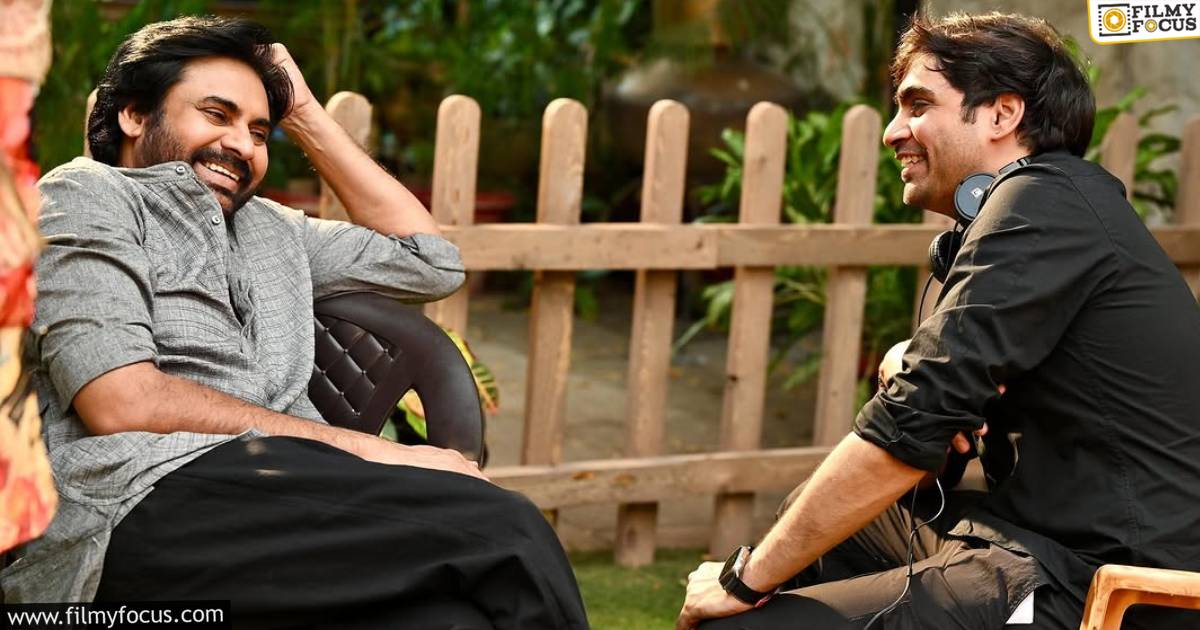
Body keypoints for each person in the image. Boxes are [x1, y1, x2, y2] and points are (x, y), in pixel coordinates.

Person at [0, 16, 589, 629]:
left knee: (450, 621)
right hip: (136, 502)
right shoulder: (86, 196)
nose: (242, 144)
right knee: (503, 526)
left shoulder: (273, 229)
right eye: (217, 114)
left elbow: (431, 263)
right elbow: (121, 401)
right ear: (134, 115)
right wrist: (373, 452)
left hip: (276, 497)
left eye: (260, 131)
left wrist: (303, 112)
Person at [678, 12, 1200, 630]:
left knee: (741, 623)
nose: (892, 132)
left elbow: (912, 419)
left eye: (918, 105)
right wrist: (912, 361)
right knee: (836, 528)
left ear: (1003, 115)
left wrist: (743, 580)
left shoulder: (1045, 202)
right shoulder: (1052, 210)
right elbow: (940, 407)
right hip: (1033, 542)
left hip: (1113, 582)